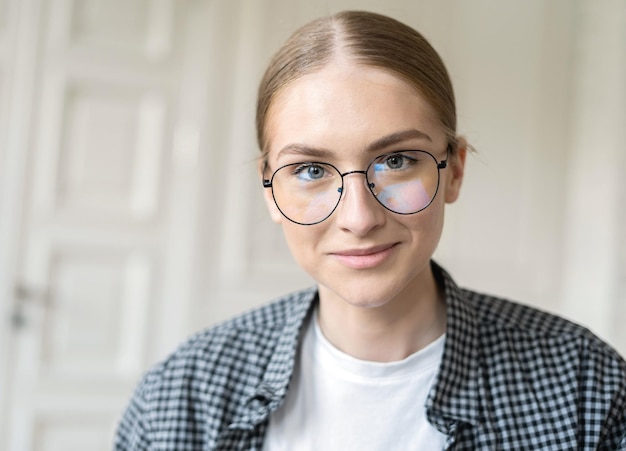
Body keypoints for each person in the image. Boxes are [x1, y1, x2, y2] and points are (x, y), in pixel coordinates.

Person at [114, 10, 626, 450]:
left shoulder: (585, 386)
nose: (359, 218)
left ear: (456, 171)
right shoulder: (179, 397)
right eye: (311, 170)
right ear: (270, 189)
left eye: (397, 160)